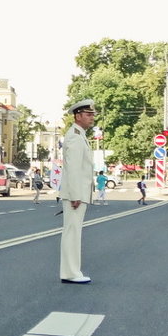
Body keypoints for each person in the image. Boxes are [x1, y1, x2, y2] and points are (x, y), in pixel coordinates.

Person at [59, 99, 95, 284]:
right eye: (88, 115)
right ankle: (71, 272)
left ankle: (71, 271)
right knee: (72, 233)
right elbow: (73, 168)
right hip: (76, 195)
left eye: (93, 115)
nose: (92, 118)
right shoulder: (74, 136)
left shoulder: (79, 135)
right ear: (78, 116)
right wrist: (75, 195)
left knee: (73, 232)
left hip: (78, 193)